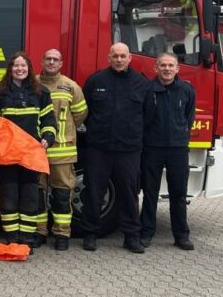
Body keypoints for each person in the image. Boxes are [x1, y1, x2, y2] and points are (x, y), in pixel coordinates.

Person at [81, 42, 150, 253]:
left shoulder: (141, 83)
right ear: (109, 58)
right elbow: (86, 111)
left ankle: (131, 236)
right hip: (99, 148)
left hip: (128, 149)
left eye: (123, 56)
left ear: (130, 58)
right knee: (93, 191)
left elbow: (148, 115)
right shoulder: (96, 81)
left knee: (129, 193)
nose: (119, 60)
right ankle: (90, 233)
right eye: (115, 56)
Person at [0, 51, 56, 249]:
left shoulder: (41, 92)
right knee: (9, 194)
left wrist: (48, 138)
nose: (19, 69)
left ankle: (27, 239)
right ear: (10, 69)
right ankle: (12, 237)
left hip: (31, 153)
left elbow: (48, 120)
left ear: (29, 69)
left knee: (30, 195)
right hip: (7, 154)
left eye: (23, 66)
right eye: (15, 66)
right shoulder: (0, 93)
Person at [141, 52, 196, 250]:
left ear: (177, 68)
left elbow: (188, 117)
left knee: (179, 193)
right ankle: (146, 233)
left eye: (170, 65)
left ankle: (181, 235)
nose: (166, 69)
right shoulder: (148, 90)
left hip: (178, 150)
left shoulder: (187, 90)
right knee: (149, 192)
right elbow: (143, 118)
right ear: (156, 68)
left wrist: (180, 135)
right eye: (163, 65)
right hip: (152, 149)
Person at [37, 49, 88, 251]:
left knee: (61, 194)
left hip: (62, 150)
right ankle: (39, 232)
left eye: (55, 59)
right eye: (47, 58)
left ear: (61, 63)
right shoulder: (33, 83)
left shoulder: (70, 86)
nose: (51, 62)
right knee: (38, 192)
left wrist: (65, 133)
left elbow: (81, 114)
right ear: (42, 61)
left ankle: (61, 234)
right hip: (37, 150)